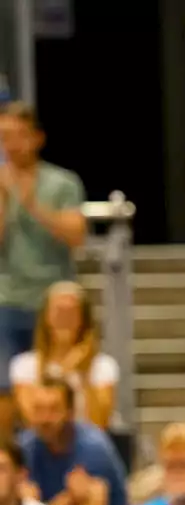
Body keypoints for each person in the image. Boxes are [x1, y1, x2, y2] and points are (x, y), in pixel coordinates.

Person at [0, 102, 87, 441]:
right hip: (7, 298)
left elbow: (76, 234)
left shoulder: (62, 182)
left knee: (58, 385)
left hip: (54, 301)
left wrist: (33, 203)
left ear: (37, 138)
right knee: (5, 387)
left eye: (19, 135)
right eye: (4, 137)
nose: (12, 144)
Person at [11, 281, 119, 429]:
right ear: (46, 317)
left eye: (71, 312)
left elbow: (99, 422)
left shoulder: (103, 365)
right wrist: (65, 368)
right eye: (59, 311)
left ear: (83, 318)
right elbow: (32, 419)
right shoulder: (24, 365)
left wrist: (84, 374)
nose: (64, 318)